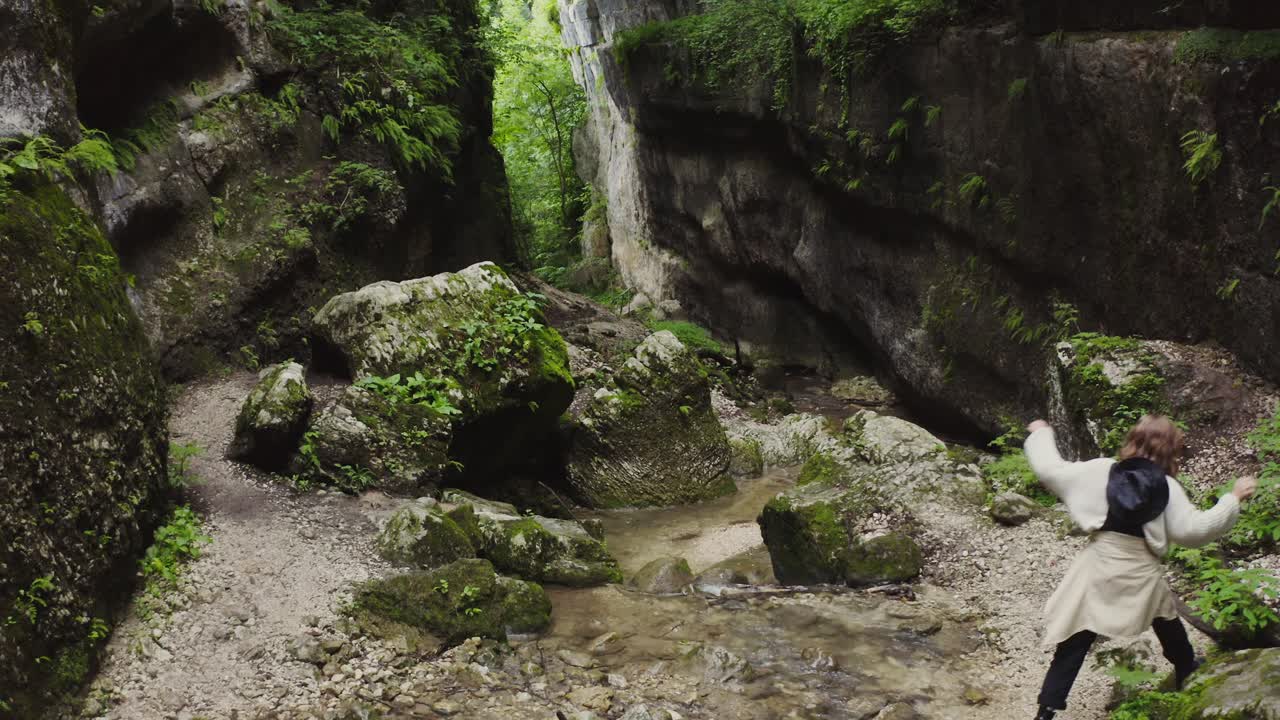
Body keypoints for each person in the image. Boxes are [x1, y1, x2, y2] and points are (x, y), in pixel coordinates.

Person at [1023, 415, 1258, 720]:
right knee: (1166, 616)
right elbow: (1196, 531)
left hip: (1098, 567)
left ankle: (1046, 711)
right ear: (1171, 451)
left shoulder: (1100, 471)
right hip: (1141, 570)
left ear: (1133, 441)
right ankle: (1187, 668)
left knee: (1076, 636)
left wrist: (1041, 434)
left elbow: (1050, 469)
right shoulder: (1169, 488)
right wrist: (1233, 498)